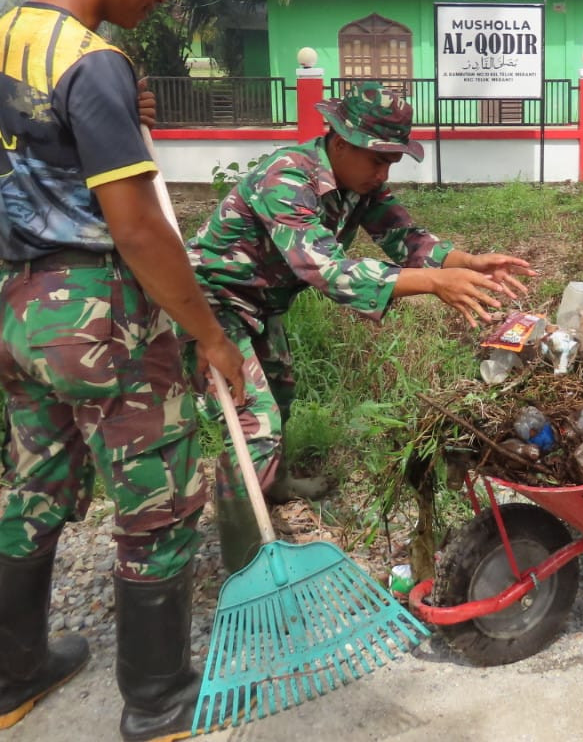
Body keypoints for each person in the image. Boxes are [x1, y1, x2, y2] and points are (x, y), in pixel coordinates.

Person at [0, 0, 246, 742]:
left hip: (15, 309)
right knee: (156, 502)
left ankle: (12, 680)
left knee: (38, 484)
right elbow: (139, 229)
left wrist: (123, 115)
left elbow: (34, 166)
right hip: (97, 316)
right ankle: (157, 701)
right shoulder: (91, 59)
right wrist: (208, 333)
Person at [186, 81, 535, 573]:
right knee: (254, 423)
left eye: (392, 161)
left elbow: (408, 239)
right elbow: (326, 271)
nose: (383, 172)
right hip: (212, 302)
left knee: (280, 393)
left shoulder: (359, 183)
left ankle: (274, 484)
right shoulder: (287, 178)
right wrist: (433, 282)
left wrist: (469, 262)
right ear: (341, 142)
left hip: (261, 303)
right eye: (377, 159)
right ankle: (243, 562)